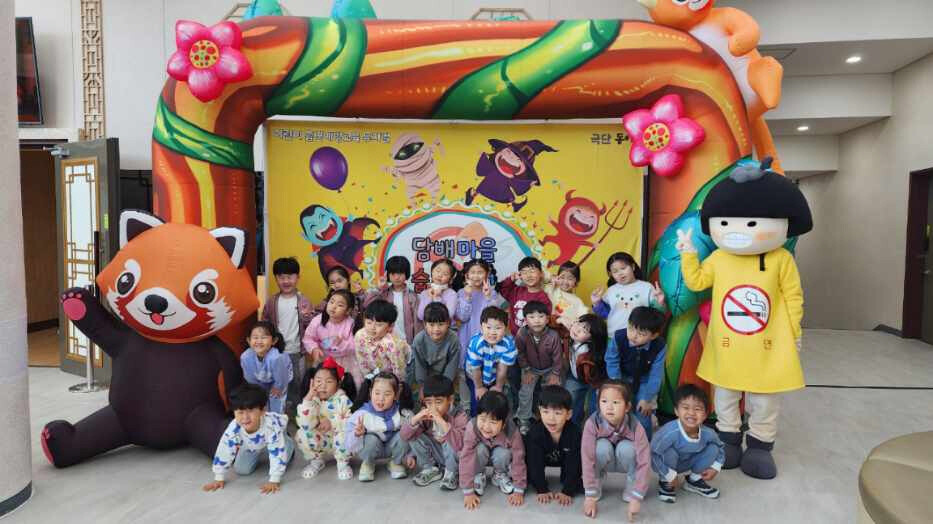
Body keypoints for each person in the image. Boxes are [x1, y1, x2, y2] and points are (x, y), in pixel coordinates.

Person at [203, 384, 295, 494]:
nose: (245, 417)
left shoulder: (271, 427)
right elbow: (224, 449)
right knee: (241, 469)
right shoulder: (234, 428)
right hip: (251, 444)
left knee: (282, 456)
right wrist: (219, 477)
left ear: (262, 410)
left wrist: (274, 480)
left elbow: (278, 453)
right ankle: (258, 449)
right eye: (240, 412)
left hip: (275, 438)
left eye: (250, 411)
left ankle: (287, 442)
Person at [581, 381, 650, 521]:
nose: (609, 407)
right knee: (600, 447)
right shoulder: (592, 423)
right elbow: (587, 458)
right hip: (605, 460)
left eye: (616, 402)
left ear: (627, 407)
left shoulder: (636, 426)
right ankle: (597, 483)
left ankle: (631, 485)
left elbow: (644, 461)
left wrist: (637, 495)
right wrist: (589, 494)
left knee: (627, 448)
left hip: (625, 462)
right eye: (604, 401)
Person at [651, 384, 724, 503]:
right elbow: (653, 454)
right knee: (667, 451)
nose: (691, 413)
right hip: (669, 463)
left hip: (689, 462)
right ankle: (665, 482)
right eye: (685, 407)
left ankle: (694, 480)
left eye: (697, 409)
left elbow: (720, 447)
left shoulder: (708, 433)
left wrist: (716, 467)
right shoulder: (669, 432)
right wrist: (668, 474)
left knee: (713, 447)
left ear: (705, 415)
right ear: (676, 411)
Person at [261, 257, 314, 416]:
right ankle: (279, 413)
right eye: (281, 277)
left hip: (297, 351)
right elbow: (265, 322)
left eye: (290, 277)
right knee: (278, 382)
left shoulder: (303, 301)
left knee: (298, 383)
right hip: (277, 351)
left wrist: (307, 317)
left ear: (298, 277)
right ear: (276, 278)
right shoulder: (272, 301)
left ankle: (298, 413)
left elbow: (311, 326)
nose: (286, 281)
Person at [605, 306, 667, 439]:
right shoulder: (619, 337)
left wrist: (647, 398)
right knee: (619, 409)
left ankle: (644, 444)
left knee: (643, 413)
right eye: (631, 328)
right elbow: (611, 360)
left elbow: (656, 374)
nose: (633, 335)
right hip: (621, 378)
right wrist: (618, 385)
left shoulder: (660, 346)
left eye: (641, 334)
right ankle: (617, 439)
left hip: (645, 380)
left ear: (654, 335)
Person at [459, 390, 526, 510]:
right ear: (477, 416)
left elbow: (518, 459)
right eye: (483, 419)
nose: (486, 427)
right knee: (478, 450)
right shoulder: (472, 427)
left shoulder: (512, 431)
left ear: (503, 424)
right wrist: (468, 491)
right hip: (481, 457)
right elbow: (466, 457)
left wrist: (519, 489)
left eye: (493, 422)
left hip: (499, 458)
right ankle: (478, 474)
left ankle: (499, 474)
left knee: (504, 453)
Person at [400, 374, 469, 490]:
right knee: (413, 434)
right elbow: (404, 436)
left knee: (449, 439)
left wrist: (440, 421)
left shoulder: (460, 415)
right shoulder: (426, 416)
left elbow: (460, 444)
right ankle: (430, 469)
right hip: (437, 454)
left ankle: (452, 473)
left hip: (456, 458)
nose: (433, 407)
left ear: (450, 399)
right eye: (429, 402)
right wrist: (415, 419)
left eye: (438, 402)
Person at [345, 371, 414, 482]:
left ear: (396, 395)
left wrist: (411, 455)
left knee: (406, 433)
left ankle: (396, 462)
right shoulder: (362, 414)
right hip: (372, 447)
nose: (381, 399)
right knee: (370, 439)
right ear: (370, 392)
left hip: (392, 446)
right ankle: (368, 463)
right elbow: (348, 444)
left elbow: (415, 433)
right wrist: (357, 434)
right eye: (377, 393)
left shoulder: (402, 412)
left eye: (387, 394)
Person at [295, 358, 357, 480]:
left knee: (345, 433)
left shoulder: (342, 399)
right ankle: (316, 460)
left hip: (338, 441)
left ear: (338, 383)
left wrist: (332, 423)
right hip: (322, 440)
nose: (323, 386)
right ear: (312, 382)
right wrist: (308, 399)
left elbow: (350, 422)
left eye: (329, 381)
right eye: (318, 381)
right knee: (303, 433)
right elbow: (304, 424)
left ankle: (343, 464)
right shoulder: (313, 400)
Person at [455, 258, 503, 412]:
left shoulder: (492, 293)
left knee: (484, 373)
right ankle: (465, 407)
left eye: (480, 272)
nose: (476, 276)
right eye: (473, 272)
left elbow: (495, 317)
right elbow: (462, 317)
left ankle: (485, 408)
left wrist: (488, 297)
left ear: (486, 274)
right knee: (464, 375)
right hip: (466, 339)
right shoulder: (461, 293)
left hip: (487, 342)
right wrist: (467, 297)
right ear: (466, 275)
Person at [523, 385, 583, 506]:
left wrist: (567, 491)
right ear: (540, 411)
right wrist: (541, 489)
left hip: (565, 458)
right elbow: (534, 463)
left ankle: (566, 480)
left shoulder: (575, 433)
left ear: (568, 414)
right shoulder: (534, 433)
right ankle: (538, 482)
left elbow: (575, 464)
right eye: (545, 411)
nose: (551, 418)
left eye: (558, 413)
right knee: (531, 469)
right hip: (542, 458)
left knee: (573, 476)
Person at [514, 301, 564, 435]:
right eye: (532, 317)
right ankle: (524, 420)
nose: (537, 321)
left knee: (552, 392)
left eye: (541, 316)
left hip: (550, 369)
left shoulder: (553, 335)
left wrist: (555, 373)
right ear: (525, 320)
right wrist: (526, 369)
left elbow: (558, 357)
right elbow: (520, 353)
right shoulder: (521, 334)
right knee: (525, 392)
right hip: (530, 368)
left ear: (547, 319)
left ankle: (548, 420)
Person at [591, 252, 666, 336]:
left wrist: (660, 303)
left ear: (633, 267)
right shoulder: (611, 290)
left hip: (639, 337)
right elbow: (604, 315)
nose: (620, 273)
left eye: (623, 268)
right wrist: (596, 303)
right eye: (615, 271)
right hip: (614, 336)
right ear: (611, 274)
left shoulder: (646, 287)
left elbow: (656, 315)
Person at [303, 289, 361, 388]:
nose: (333, 307)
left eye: (340, 305)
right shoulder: (318, 320)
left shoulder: (350, 323)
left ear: (348, 311)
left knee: (344, 386)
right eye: (331, 302)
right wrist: (314, 349)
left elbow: (354, 346)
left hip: (344, 361)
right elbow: (308, 338)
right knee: (324, 386)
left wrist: (341, 343)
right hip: (324, 359)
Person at [363, 255, 421, 345]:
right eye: (393, 274)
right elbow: (367, 304)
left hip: (406, 342)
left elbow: (417, 323)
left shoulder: (412, 296)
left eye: (400, 273)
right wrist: (378, 288)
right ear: (387, 275)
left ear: (406, 274)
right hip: (384, 342)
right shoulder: (383, 294)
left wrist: (417, 343)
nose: (397, 277)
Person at [464, 306, 516, 404]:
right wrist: (479, 387)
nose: (493, 332)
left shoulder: (509, 345)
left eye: (498, 328)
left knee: (495, 401)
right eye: (488, 327)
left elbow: (502, 368)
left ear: (505, 329)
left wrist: (498, 386)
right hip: (474, 374)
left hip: (494, 373)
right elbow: (476, 369)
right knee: (478, 401)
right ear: (481, 328)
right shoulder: (476, 343)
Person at [240, 321, 293, 414]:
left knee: (276, 399)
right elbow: (250, 379)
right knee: (262, 399)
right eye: (255, 337)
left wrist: (278, 388)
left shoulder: (276, 358)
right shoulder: (246, 357)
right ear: (249, 340)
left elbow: (282, 378)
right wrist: (259, 391)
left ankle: (278, 418)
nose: (259, 341)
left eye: (264, 337)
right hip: (262, 378)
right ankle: (266, 416)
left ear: (274, 341)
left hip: (281, 378)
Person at [565, 314, 608, 425]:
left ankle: (592, 427)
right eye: (579, 323)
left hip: (596, 382)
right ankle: (574, 424)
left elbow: (598, 376)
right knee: (571, 399)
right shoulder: (570, 336)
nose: (577, 330)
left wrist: (599, 388)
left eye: (584, 331)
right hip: (577, 376)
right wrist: (560, 319)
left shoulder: (588, 353)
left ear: (591, 339)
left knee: (594, 406)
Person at [354, 299, 412, 382]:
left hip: (400, 367)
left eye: (379, 325)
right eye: (369, 322)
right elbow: (361, 359)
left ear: (390, 326)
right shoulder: (360, 336)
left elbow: (399, 369)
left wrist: (396, 384)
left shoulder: (393, 344)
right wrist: (368, 378)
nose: (372, 328)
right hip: (375, 370)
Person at [498, 256, 552, 335]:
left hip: (533, 338)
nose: (528, 275)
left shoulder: (543, 299)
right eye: (524, 272)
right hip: (514, 337)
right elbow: (502, 288)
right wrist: (511, 279)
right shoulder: (516, 291)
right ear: (520, 276)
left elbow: (545, 321)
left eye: (532, 271)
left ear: (541, 274)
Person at [411, 302, 461, 386]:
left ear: (448, 323)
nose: (436, 329)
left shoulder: (453, 339)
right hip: (427, 379)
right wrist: (423, 386)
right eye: (431, 325)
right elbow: (420, 367)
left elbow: (452, 366)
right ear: (425, 324)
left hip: (447, 379)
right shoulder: (419, 341)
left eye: (441, 324)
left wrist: (445, 385)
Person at [544, 261, 589, 330]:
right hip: (545, 329)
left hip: (563, 333)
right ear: (557, 277)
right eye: (562, 277)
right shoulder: (551, 289)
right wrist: (550, 278)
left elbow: (584, 319)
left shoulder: (578, 301)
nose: (565, 282)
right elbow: (538, 277)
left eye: (570, 279)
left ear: (576, 281)